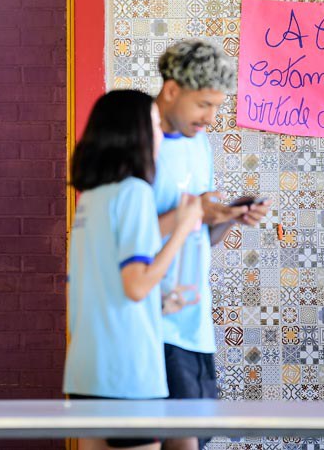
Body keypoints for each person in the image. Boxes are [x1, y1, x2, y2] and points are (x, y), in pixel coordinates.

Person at [63, 90, 203, 450]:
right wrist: (183, 227)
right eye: (157, 124)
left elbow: (108, 287)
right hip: (127, 372)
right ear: (137, 132)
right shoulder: (135, 192)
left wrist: (158, 306)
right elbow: (136, 286)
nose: (161, 135)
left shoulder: (93, 197)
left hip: (85, 369)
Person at [153, 40, 271, 450]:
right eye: (204, 104)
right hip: (152, 321)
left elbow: (199, 235)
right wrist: (199, 215)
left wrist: (228, 216)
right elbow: (121, 234)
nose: (211, 117)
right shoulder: (138, 144)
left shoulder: (199, 143)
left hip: (195, 324)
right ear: (171, 90)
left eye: (218, 106)